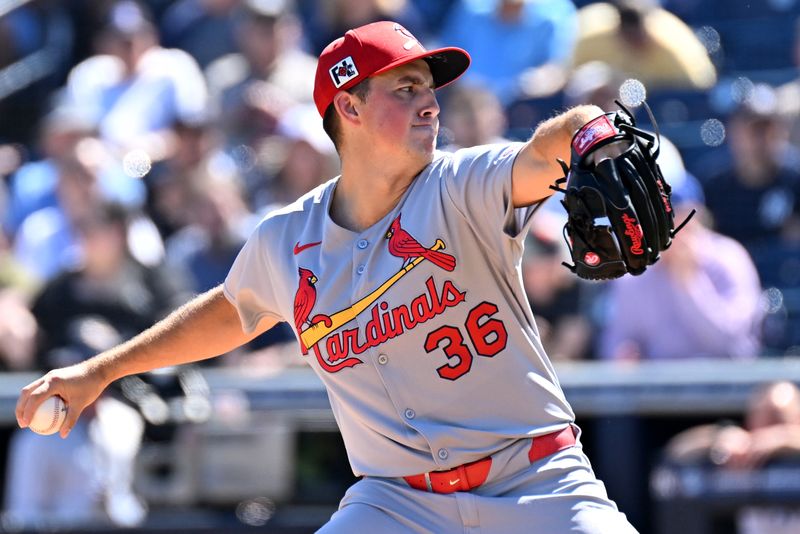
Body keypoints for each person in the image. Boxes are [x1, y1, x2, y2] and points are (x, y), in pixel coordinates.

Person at [16, 21, 638, 532]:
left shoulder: (462, 184)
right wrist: (102, 370)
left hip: (535, 481)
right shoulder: (288, 239)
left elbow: (540, 154)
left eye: (430, 87)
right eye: (406, 86)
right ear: (349, 105)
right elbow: (231, 311)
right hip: (397, 504)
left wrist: (588, 128)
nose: (430, 101)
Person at [664, 381, 800, 534]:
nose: (769, 430)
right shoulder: (741, 451)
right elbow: (675, 451)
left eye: (778, 419)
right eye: (764, 419)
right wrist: (719, 436)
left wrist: (785, 438)